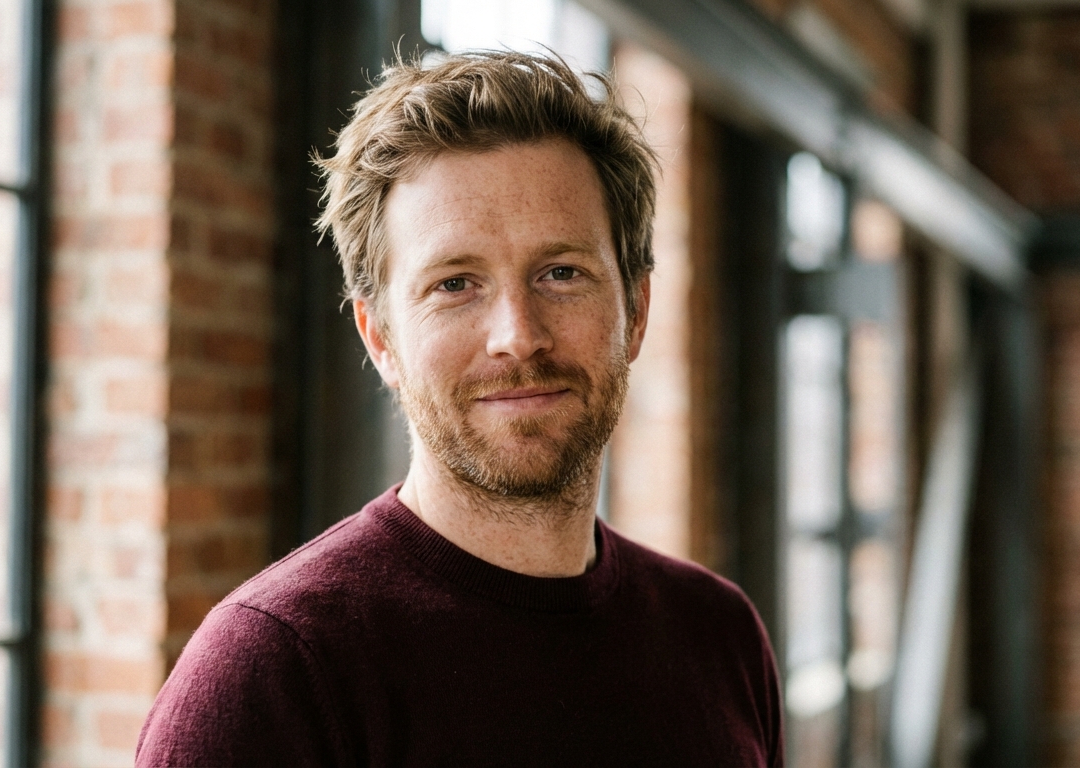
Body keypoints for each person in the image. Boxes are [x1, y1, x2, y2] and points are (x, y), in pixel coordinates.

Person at [136, 50, 783, 767]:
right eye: (454, 284)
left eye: (561, 273)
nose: (517, 336)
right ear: (379, 336)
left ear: (635, 312)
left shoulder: (721, 636)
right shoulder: (272, 676)